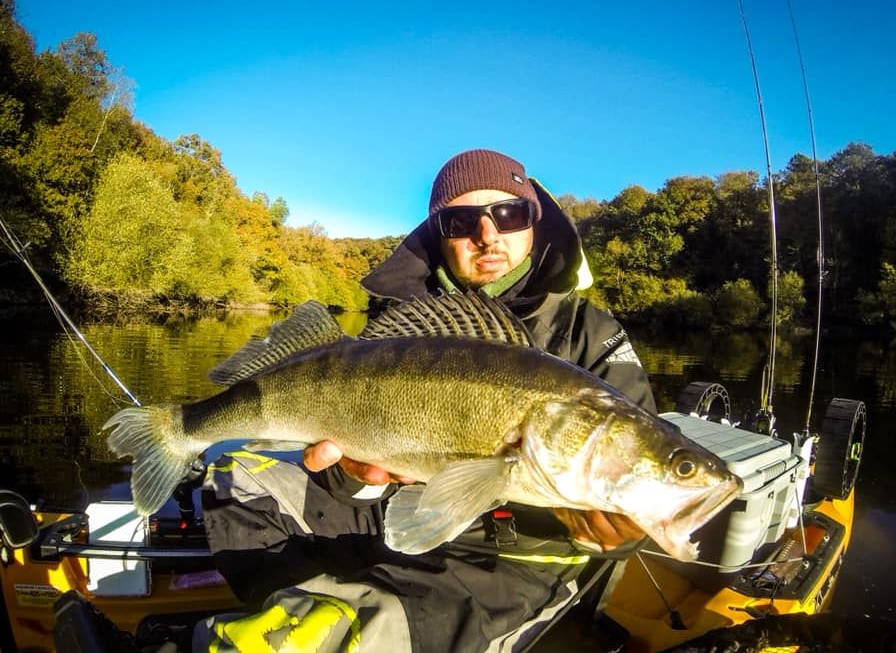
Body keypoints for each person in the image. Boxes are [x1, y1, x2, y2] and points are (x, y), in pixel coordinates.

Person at [195, 149, 657, 653]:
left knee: (354, 635)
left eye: (508, 213)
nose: (487, 234)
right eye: (462, 220)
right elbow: (349, 471)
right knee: (235, 477)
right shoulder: (400, 329)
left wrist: (617, 533)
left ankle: (337, 615)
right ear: (439, 232)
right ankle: (310, 607)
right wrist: (353, 479)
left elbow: (638, 472)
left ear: (534, 222)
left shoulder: (590, 334)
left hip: (513, 557)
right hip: (398, 511)